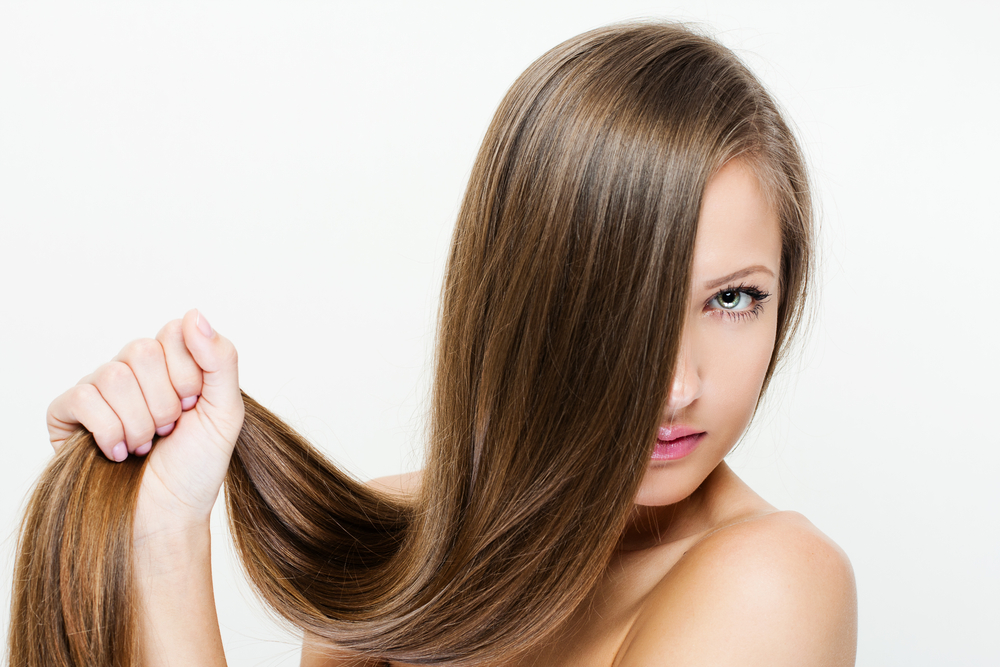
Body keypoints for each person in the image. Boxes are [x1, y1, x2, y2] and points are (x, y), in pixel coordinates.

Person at [41, 21, 857, 667]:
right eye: (619, 304)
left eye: (733, 298)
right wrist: (163, 534)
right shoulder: (395, 548)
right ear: (519, 299)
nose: (677, 385)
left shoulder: (775, 581)